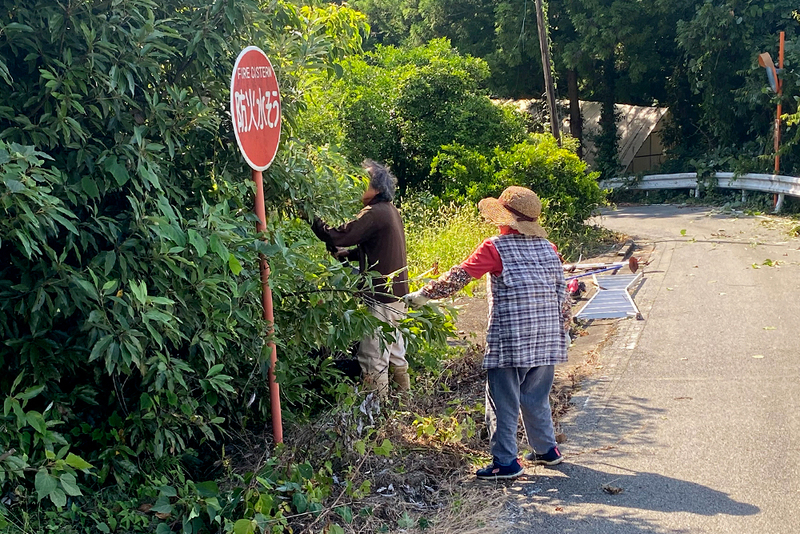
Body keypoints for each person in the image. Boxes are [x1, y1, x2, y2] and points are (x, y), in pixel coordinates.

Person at [405, 186, 570, 480]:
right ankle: (547, 450)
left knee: (502, 399)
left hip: (512, 339)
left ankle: (505, 463)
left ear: (504, 219)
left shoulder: (495, 248)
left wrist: (423, 294)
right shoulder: (550, 248)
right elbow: (561, 292)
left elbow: (459, 275)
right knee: (536, 396)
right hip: (547, 336)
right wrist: (564, 327)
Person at [309, 160, 410, 397]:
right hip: (397, 297)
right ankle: (405, 404)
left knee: (373, 358)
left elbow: (339, 235)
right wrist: (350, 255)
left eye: (362, 181)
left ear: (375, 188)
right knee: (395, 353)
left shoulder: (374, 213)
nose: (357, 186)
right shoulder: (389, 211)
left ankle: (379, 419)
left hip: (381, 299)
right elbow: (377, 246)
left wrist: (310, 216)